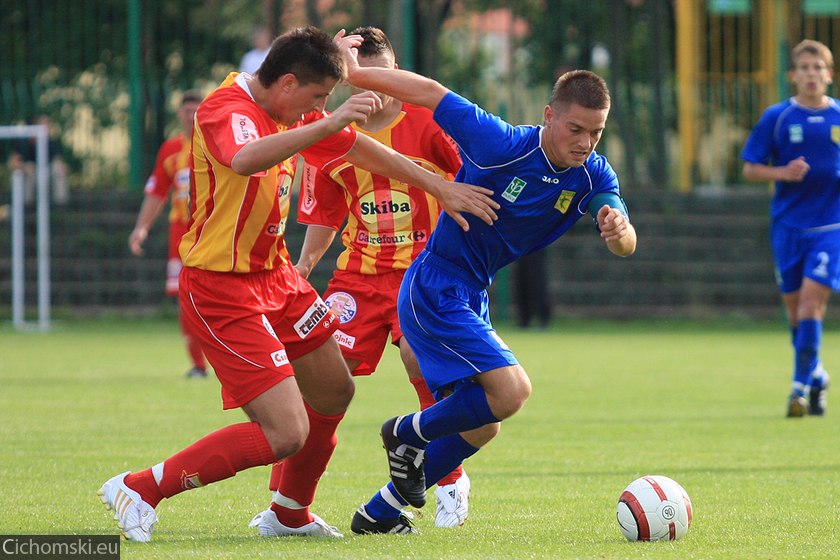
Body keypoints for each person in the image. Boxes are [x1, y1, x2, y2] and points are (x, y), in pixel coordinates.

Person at [97, 26, 498, 543]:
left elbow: (363, 151)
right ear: (286, 83)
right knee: (286, 433)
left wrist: (441, 186)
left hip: (278, 279)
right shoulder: (226, 109)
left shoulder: (296, 110)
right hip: (221, 288)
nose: (325, 105)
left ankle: (289, 512)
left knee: (335, 389)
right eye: (318, 95)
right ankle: (142, 487)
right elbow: (246, 158)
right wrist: (327, 120)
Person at [336, 32, 637, 534]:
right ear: (548, 116)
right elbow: (430, 92)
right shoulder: (501, 145)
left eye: (596, 133)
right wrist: (355, 74)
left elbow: (623, 237)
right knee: (512, 390)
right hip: (435, 285)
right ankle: (406, 431)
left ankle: (380, 513)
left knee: (483, 424)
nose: (584, 142)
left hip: (471, 295)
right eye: (575, 128)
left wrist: (619, 229)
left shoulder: (591, 175)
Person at [251, 26, 471, 531]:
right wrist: (305, 266)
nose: (376, 91)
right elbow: (326, 212)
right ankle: (286, 500)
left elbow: (468, 184)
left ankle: (450, 479)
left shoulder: (431, 126)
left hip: (424, 274)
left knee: (423, 361)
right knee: (322, 378)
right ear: (349, 84)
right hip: (358, 280)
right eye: (362, 81)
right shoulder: (332, 133)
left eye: (385, 78)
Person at [741, 39, 836, 418]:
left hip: (832, 227)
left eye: (819, 68)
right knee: (796, 314)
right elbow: (749, 167)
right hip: (788, 227)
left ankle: (797, 389)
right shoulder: (777, 117)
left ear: (829, 75)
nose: (811, 74)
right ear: (793, 75)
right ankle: (817, 376)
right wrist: (782, 172)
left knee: (814, 303)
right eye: (805, 68)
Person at [128, 90, 208, 379]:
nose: (191, 115)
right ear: (180, 114)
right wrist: (142, 227)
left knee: (213, 298)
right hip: (180, 235)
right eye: (186, 110)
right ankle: (198, 365)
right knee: (185, 299)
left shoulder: (217, 140)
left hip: (211, 232)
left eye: (196, 109)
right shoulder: (171, 149)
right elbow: (157, 191)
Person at [8, 114, 69, 205]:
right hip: (30, 174)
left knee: (57, 169)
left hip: (47, 174)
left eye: (48, 125)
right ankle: (26, 206)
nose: (47, 128)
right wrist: (25, 167)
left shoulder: (52, 143)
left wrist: (62, 167)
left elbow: (58, 160)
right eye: (44, 125)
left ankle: (60, 205)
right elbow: (12, 163)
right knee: (23, 173)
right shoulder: (23, 143)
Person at [513, 248, 552, 329]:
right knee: (522, 284)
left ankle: (543, 319)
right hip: (522, 250)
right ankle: (524, 319)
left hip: (535, 248)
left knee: (537, 285)